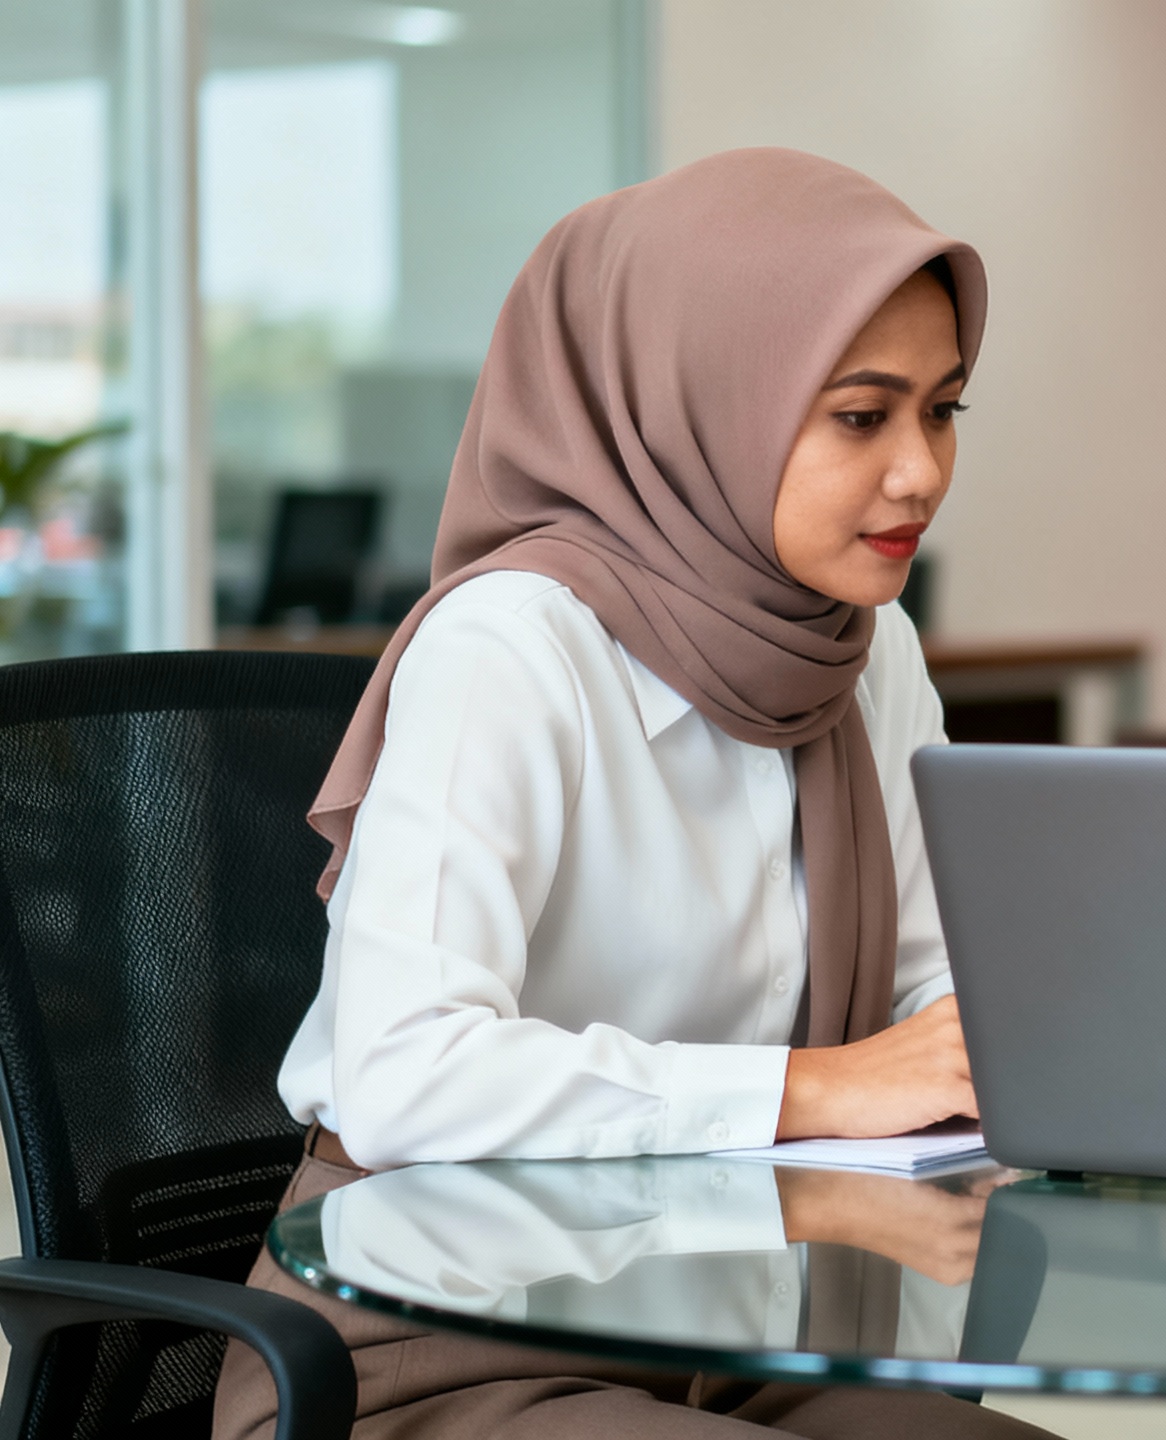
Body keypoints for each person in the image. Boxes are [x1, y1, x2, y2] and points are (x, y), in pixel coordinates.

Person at [212, 148, 1054, 1440]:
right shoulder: (515, 647)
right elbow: (403, 1076)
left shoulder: (867, 651)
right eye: (859, 415)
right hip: (442, 1348)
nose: (920, 473)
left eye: (943, 411)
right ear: (703, 402)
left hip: (750, 1324)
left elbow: (935, 1013)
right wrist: (816, 1088)